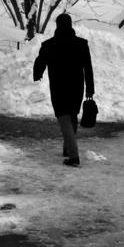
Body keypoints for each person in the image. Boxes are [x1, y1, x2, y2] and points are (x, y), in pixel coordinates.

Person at [32, 13, 95, 167]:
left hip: (58, 87)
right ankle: (67, 149)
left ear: (57, 25)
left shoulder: (49, 45)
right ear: (70, 24)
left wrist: (37, 74)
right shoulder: (81, 44)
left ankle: (73, 157)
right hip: (76, 87)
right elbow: (88, 67)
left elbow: (40, 61)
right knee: (71, 115)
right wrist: (90, 89)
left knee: (64, 118)